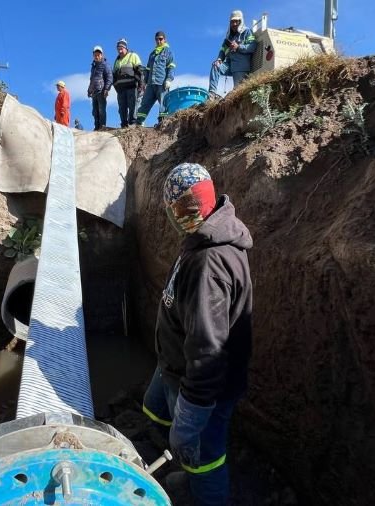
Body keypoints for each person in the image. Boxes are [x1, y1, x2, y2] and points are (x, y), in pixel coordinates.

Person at [142, 163, 253, 506]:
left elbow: (208, 350)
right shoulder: (202, 236)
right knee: (154, 410)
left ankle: (203, 489)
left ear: (199, 203)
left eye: (181, 207)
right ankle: (179, 462)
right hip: (175, 368)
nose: (175, 216)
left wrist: (190, 417)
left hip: (203, 390)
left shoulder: (209, 262)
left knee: (205, 458)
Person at [209, 10, 258, 96]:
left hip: (240, 65)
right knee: (215, 66)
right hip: (228, 64)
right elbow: (222, 51)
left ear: (240, 21)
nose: (234, 24)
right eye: (232, 22)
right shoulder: (228, 37)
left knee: (237, 92)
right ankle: (211, 95)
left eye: (236, 21)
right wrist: (219, 59)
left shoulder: (247, 32)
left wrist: (238, 47)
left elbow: (252, 46)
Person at [135, 31, 176, 126]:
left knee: (163, 104)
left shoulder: (168, 52)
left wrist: (169, 79)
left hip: (161, 83)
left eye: (160, 39)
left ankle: (163, 123)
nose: (158, 41)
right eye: (157, 39)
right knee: (144, 103)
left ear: (164, 40)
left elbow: (171, 66)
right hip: (150, 84)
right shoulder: (152, 54)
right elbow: (148, 69)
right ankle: (139, 123)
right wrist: (144, 82)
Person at [112, 38, 144, 128]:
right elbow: (113, 76)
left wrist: (141, 85)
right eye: (118, 49)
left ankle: (132, 123)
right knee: (122, 108)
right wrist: (116, 87)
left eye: (121, 48)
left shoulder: (133, 56)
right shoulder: (117, 61)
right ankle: (124, 125)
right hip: (121, 90)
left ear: (126, 48)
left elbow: (140, 71)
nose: (120, 50)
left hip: (132, 87)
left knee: (133, 106)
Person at [88, 45, 113, 131]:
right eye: (95, 54)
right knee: (95, 112)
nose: (97, 56)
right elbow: (92, 79)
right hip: (94, 92)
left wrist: (106, 89)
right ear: (93, 55)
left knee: (101, 110)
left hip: (101, 91)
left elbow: (109, 77)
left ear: (102, 55)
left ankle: (102, 126)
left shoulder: (105, 65)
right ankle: (97, 127)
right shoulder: (93, 67)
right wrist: (89, 90)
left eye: (98, 54)